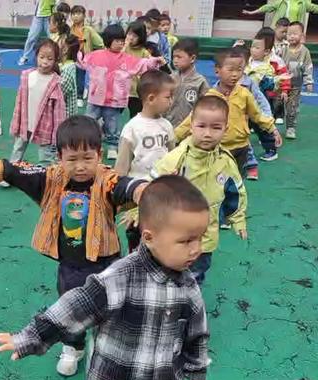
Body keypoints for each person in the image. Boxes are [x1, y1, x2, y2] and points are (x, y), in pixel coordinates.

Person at [0, 174, 210, 380]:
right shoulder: (120, 277)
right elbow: (73, 307)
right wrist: (29, 338)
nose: (196, 249)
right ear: (149, 237)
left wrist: (196, 370)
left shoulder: (188, 285)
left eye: (200, 237)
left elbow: (196, 332)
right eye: (186, 240)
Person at [0, 115, 149, 377]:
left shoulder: (106, 180)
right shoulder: (52, 177)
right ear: (60, 157)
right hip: (70, 265)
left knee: (109, 309)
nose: (80, 166)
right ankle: (73, 347)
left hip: (106, 264)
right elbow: (20, 170)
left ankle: (105, 346)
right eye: (71, 159)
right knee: (69, 309)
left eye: (87, 158)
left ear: (99, 155)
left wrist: (143, 191)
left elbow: (127, 186)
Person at [152, 96, 247, 284]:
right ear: (191, 126)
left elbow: (236, 192)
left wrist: (238, 219)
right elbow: (153, 185)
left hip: (206, 235)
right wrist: (138, 211)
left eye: (216, 127)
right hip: (176, 229)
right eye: (202, 126)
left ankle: (189, 304)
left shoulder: (226, 161)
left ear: (225, 130)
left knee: (197, 272)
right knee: (168, 269)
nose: (208, 133)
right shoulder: (178, 157)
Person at [176, 48, 282, 177]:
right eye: (230, 70)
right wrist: (174, 136)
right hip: (217, 148)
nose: (235, 74)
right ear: (217, 70)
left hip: (241, 148)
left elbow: (257, 115)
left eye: (239, 70)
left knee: (237, 183)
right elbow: (193, 119)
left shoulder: (244, 94)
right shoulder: (210, 96)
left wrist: (272, 129)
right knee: (216, 182)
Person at [80, 24, 163, 160]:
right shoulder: (96, 56)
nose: (121, 43)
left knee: (112, 125)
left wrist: (154, 61)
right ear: (108, 40)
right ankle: (92, 145)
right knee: (90, 122)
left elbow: (142, 64)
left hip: (114, 100)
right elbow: (82, 61)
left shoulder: (126, 59)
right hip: (96, 98)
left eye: (122, 41)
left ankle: (112, 146)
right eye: (117, 41)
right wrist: (76, 50)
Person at [116, 70, 175, 252]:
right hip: (137, 193)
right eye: (168, 96)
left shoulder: (167, 126)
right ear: (150, 98)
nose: (171, 100)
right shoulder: (132, 128)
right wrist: (118, 194)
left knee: (161, 233)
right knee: (136, 232)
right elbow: (122, 165)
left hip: (163, 193)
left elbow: (173, 156)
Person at [10, 39, 65, 164]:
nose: (45, 62)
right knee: (17, 149)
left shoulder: (56, 82)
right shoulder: (27, 76)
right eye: (42, 57)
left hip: (46, 126)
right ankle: (11, 174)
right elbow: (19, 103)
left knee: (46, 156)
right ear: (36, 56)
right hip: (26, 122)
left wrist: (57, 133)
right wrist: (16, 121)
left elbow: (59, 112)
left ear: (56, 60)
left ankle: (48, 179)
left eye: (50, 59)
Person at [232, 45, 275, 181]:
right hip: (230, 117)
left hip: (248, 115)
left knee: (246, 143)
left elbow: (260, 99)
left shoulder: (248, 82)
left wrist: (268, 117)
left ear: (245, 65)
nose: (234, 72)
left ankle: (251, 166)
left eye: (239, 67)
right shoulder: (221, 83)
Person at [246, 27, 291, 140]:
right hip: (248, 96)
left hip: (266, 95)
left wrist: (285, 90)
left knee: (265, 116)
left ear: (267, 50)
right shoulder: (248, 60)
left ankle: (269, 141)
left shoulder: (273, 61)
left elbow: (283, 75)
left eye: (257, 47)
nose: (253, 49)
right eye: (252, 46)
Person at [282, 21, 314, 139]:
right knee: (276, 105)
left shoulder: (305, 51)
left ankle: (290, 127)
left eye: (295, 34)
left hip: (295, 84)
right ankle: (269, 128)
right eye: (289, 34)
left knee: (292, 106)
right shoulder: (283, 49)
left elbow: (308, 66)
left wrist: (309, 81)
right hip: (280, 84)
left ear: (302, 36)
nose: (291, 36)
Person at [166, 38, 209, 128]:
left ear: (192, 58)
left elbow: (204, 107)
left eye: (179, 57)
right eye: (174, 57)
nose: (175, 60)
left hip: (189, 128)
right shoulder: (170, 78)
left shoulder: (200, 81)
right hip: (168, 125)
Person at [70, 5, 104, 108]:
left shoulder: (88, 29)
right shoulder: (70, 29)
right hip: (74, 57)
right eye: (73, 14)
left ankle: (84, 94)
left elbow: (99, 42)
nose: (76, 16)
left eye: (78, 13)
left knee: (90, 78)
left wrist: (96, 53)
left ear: (84, 16)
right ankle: (79, 95)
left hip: (86, 57)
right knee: (78, 77)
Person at [124, 20, 151, 119]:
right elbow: (117, 60)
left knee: (134, 116)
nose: (131, 37)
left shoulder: (144, 53)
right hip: (121, 90)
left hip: (135, 92)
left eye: (135, 36)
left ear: (141, 38)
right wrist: (125, 46)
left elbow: (149, 70)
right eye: (129, 34)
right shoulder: (123, 48)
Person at [18, 0, 56, 66]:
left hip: (50, 16)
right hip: (38, 16)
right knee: (31, 38)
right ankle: (25, 56)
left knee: (53, 38)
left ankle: (55, 58)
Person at [243, 0, 318, 28]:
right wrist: (252, 12)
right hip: (279, 28)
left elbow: (315, 8)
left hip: (293, 29)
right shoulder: (281, 2)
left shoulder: (303, 3)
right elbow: (267, 7)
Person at [60, 34, 80, 118]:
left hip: (65, 117)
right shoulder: (63, 65)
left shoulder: (67, 70)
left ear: (65, 49)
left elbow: (58, 92)